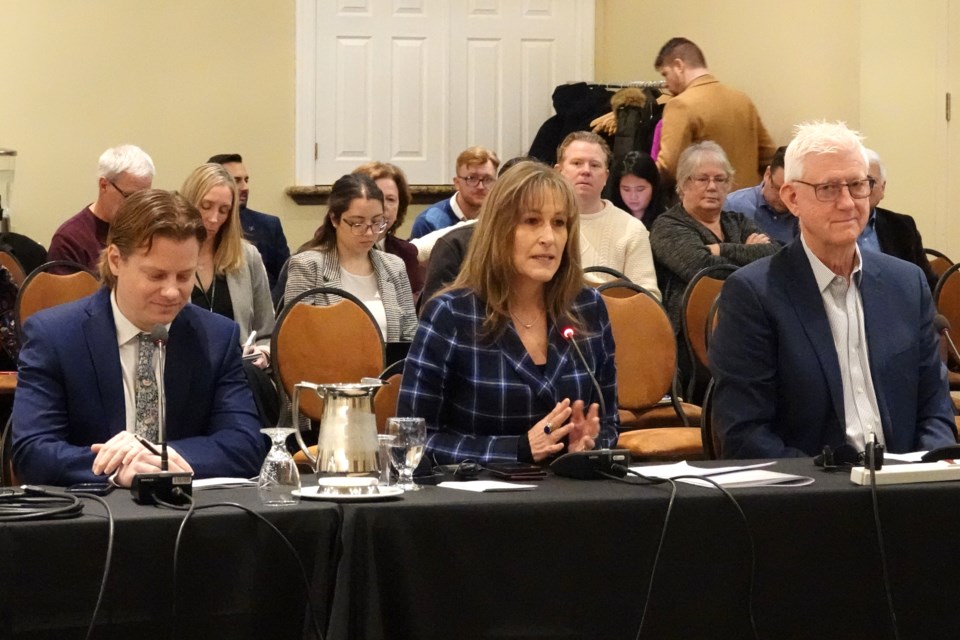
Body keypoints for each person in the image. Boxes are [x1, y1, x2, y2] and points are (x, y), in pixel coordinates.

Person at [710, 121, 956, 459]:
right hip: (815, 497)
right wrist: (834, 487)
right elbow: (745, 434)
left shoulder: (906, 284)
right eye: (828, 188)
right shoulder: (755, 294)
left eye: (857, 185)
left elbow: (935, 409)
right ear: (792, 198)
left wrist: (928, 473)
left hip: (905, 491)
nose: (847, 203)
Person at [12, 190, 267, 486]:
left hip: (191, 518)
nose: (172, 292)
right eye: (156, 276)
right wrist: (120, 469)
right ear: (117, 260)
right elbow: (32, 453)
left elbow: (246, 445)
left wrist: (161, 458)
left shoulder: (217, 337)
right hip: (91, 519)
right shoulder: (55, 336)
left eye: (184, 277)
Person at [399, 161, 619, 464]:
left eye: (559, 223)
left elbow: (608, 422)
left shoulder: (588, 307)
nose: (549, 237)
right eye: (531, 221)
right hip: (479, 503)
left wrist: (589, 445)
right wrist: (516, 448)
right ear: (499, 229)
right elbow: (411, 441)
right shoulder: (452, 314)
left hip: (569, 496)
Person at [650, 141, 779, 329]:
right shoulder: (667, 226)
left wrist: (721, 249)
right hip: (692, 334)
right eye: (702, 179)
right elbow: (704, 270)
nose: (712, 187)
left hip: (746, 323)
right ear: (684, 183)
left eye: (720, 179)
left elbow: (774, 256)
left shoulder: (736, 221)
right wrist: (748, 252)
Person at [284, 174, 416, 342]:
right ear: (334, 219)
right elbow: (294, 340)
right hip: (325, 366)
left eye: (377, 222)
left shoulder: (394, 266)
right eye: (357, 224)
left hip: (388, 367)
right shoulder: (308, 266)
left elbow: (410, 337)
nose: (369, 233)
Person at [180, 163, 274, 367]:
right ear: (188, 204)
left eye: (224, 210)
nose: (214, 219)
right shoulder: (169, 255)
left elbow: (267, 333)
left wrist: (264, 353)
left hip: (237, 376)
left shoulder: (247, 256)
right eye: (206, 206)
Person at [654, 37, 775, 188]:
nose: (665, 83)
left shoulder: (680, 105)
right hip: (749, 203)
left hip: (706, 205)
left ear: (679, 66)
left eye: (665, 74)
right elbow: (769, 156)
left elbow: (668, 167)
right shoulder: (743, 100)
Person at [554, 131, 661, 298]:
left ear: (606, 176)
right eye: (577, 163)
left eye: (595, 165)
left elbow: (648, 299)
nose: (586, 171)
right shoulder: (541, 224)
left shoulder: (632, 229)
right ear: (558, 171)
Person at [48, 144, 155, 271]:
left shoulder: (149, 233)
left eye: (142, 197)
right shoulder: (70, 240)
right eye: (129, 196)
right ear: (104, 185)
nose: (137, 206)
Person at [859, 148, 938, 291]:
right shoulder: (830, 225)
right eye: (856, 183)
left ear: (882, 188)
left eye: (869, 181)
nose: (862, 189)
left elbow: (927, 284)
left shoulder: (902, 226)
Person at [208, 154, 291, 290]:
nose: (245, 187)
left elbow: (286, 279)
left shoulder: (268, 225)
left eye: (246, 180)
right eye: (237, 180)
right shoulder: (206, 226)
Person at [352, 161, 424, 298]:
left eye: (391, 199)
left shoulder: (406, 253)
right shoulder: (325, 249)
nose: (383, 206)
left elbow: (414, 307)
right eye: (376, 196)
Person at [408, 146, 500, 239]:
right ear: (457, 183)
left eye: (488, 179)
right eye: (472, 178)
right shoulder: (429, 223)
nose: (480, 186)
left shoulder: (501, 219)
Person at [724, 146, 798, 245]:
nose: (783, 198)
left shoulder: (806, 212)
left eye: (791, 193)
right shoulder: (733, 206)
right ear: (767, 175)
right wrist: (745, 253)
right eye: (778, 189)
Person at [609, 150, 665, 229]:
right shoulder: (609, 218)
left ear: (654, 186)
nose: (633, 197)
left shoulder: (667, 223)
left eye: (640, 189)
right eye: (626, 189)